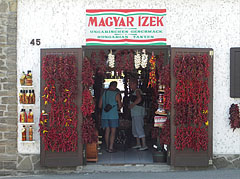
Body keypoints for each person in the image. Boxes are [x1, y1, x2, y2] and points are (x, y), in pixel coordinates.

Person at [98, 81, 122, 153]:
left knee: (107, 131)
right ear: (115, 86)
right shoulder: (116, 94)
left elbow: (99, 105)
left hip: (104, 115)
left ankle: (107, 146)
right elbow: (120, 106)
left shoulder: (104, 93)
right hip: (113, 115)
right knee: (113, 131)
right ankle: (111, 148)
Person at [129, 78, 148, 151]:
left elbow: (139, 99)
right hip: (135, 113)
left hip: (138, 113)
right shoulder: (134, 91)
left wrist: (133, 104)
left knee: (139, 128)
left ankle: (144, 145)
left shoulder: (137, 91)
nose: (130, 86)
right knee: (135, 128)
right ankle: (138, 144)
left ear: (135, 84)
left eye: (131, 84)